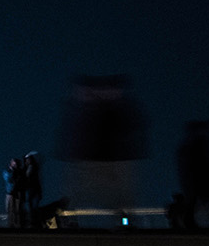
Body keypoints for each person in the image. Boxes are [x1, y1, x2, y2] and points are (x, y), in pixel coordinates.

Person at [58, 75, 148, 225]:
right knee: (77, 195)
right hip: (96, 159)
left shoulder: (108, 109)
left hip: (106, 160)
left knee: (120, 198)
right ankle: (69, 221)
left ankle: (124, 223)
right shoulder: (96, 109)